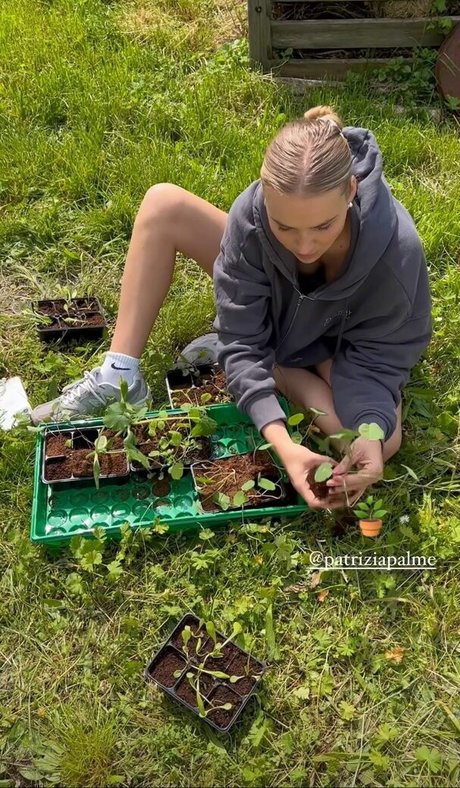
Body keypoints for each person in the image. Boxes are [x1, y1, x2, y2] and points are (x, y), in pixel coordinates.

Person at [32, 106, 432, 510]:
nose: (305, 247)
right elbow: (243, 341)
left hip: (334, 340)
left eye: (323, 226)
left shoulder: (395, 252)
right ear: (265, 195)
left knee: (380, 437)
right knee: (164, 204)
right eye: (285, 228)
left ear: (350, 191)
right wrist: (283, 443)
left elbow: (381, 356)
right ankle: (119, 373)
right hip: (272, 303)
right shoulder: (252, 218)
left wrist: (368, 432)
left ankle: (279, 371)